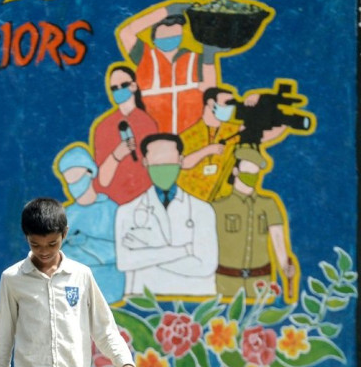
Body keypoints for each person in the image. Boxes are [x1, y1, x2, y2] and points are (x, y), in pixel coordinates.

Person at [0, 198, 153, 367]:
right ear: (26, 237)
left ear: (64, 234)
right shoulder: (13, 278)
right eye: (36, 244)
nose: (44, 251)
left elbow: (105, 329)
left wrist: (126, 365)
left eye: (52, 244)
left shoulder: (81, 275)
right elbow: (3, 343)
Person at [115, 134, 218, 297]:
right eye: (157, 163)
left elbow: (206, 265)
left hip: (194, 299)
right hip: (143, 299)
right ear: (145, 163)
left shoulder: (202, 210)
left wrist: (150, 247)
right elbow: (125, 261)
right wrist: (185, 250)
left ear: (181, 161)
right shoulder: (127, 211)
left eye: (169, 162)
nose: (163, 168)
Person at [117, 2, 223, 134]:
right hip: (154, 139)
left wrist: (209, 56)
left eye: (175, 31)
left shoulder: (195, 59)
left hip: (190, 137)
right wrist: (166, 11)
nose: (170, 35)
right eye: (165, 30)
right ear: (154, 35)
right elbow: (125, 32)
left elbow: (210, 91)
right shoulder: (144, 56)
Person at [211, 146, 298, 301]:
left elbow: (278, 238)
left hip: (260, 283)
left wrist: (285, 267)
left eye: (255, 173)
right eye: (247, 172)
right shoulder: (217, 207)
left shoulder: (268, 204)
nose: (251, 177)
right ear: (235, 171)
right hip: (225, 282)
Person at [178, 87, 285, 202]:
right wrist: (207, 151)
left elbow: (267, 133)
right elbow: (182, 163)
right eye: (227, 103)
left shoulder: (232, 130)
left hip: (221, 202)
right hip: (192, 201)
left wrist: (262, 100)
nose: (230, 108)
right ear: (211, 103)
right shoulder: (189, 135)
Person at [56, 144, 124, 303]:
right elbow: (52, 253)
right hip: (71, 286)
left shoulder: (112, 210)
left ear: (90, 172)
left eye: (76, 175)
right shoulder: (65, 214)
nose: (73, 182)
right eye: (68, 177)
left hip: (108, 286)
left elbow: (123, 251)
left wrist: (86, 243)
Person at [91, 64, 159, 205]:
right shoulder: (103, 127)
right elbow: (102, 180)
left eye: (123, 85)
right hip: (113, 203)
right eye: (114, 88)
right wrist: (116, 155)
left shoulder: (148, 124)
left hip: (144, 200)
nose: (119, 90)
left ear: (134, 86)